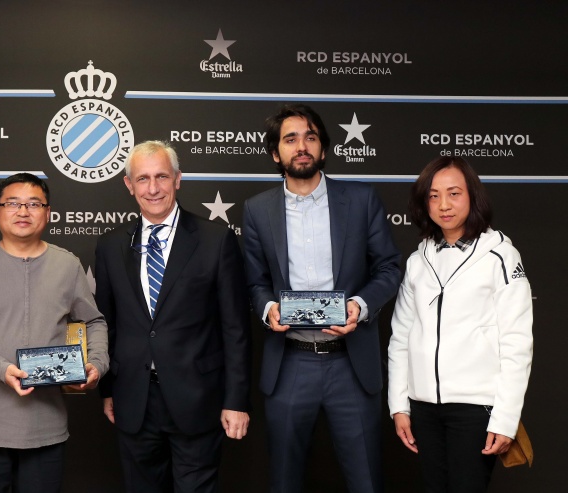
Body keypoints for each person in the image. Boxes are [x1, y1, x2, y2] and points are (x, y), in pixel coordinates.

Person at [242, 103, 401, 492]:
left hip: (351, 362)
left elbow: (389, 268)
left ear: (323, 148)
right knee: (284, 481)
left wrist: (360, 306)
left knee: (366, 481)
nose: (301, 146)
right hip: (290, 363)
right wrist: (268, 308)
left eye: (310, 137)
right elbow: (255, 282)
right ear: (275, 153)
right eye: (290, 139)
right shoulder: (257, 210)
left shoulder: (361, 200)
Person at [95, 140, 251, 493]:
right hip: (133, 400)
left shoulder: (215, 239)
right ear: (129, 184)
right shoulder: (110, 245)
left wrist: (236, 401)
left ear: (178, 179)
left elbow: (236, 329)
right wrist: (108, 390)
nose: (153, 188)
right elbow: (107, 324)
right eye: (143, 178)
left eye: (162, 177)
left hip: (198, 399)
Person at [0, 173, 108, 493]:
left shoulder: (67, 265)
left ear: (48, 213)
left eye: (34, 204)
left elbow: (93, 322)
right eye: (12, 203)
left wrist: (97, 364)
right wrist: (1, 369)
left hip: (45, 427)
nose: (22, 211)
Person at [388, 157, 533, 492]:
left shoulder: (500, 256)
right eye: (433, 196)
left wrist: (505, 418)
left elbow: (517, 342)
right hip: (423, 409)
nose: (444, 205)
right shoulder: (418, 261)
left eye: (454, 193)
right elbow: (401, 338)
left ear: (472, 196)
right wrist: (399, 405)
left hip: (476, 409)